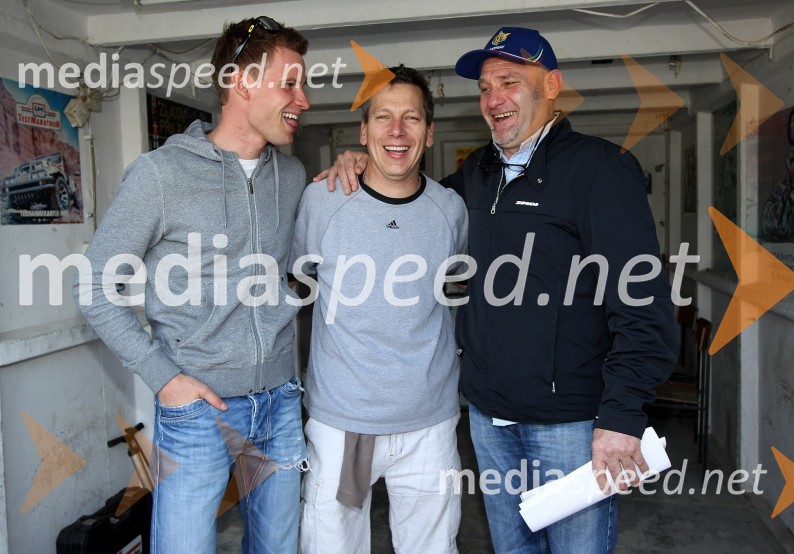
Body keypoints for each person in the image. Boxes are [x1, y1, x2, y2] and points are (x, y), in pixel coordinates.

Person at [319, 27, 678, 554]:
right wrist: (361, 162)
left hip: (570, 425)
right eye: (485, 87)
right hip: (489, 420)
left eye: (510, 82)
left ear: (551, 85)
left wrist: (621, 418)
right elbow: (412, 199)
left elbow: (644, 305)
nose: (493, 99)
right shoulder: (476, 176)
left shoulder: (600, 171)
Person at [74, 17, 311, 553]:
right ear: (241, 82)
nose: (304, 99)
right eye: (290, 82)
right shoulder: (161, 176)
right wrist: (165, 379)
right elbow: (93, 287)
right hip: (197, 410)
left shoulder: (292, 176)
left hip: (279, 402)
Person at [291, 65, 468, 554]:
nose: (396, 131)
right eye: (382, 118)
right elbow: (299, 286)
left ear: (429, 133)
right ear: (363, 131)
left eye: (410, 118)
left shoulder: (451, 210)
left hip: (429, 423)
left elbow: (453, 292)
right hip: (342, 422)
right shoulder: (322, 201)